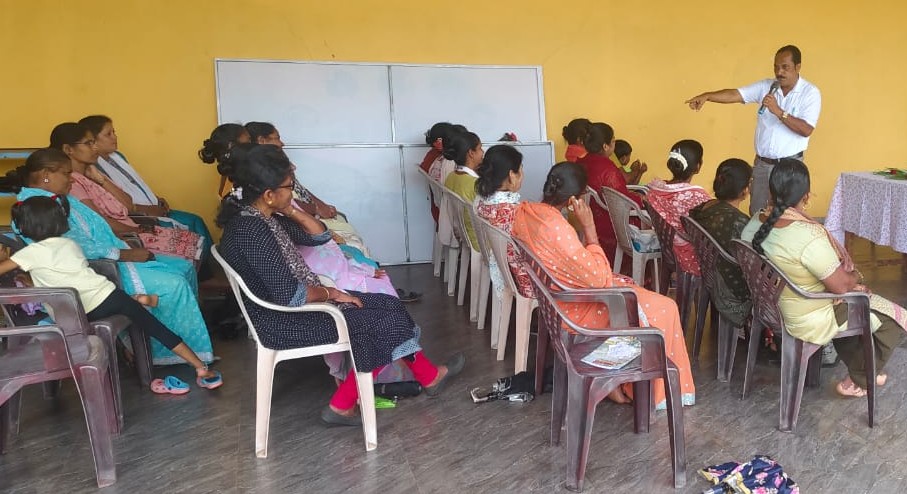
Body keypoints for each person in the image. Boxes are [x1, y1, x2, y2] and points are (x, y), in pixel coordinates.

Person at [216, 144, 465, 424]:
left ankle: (427, 377)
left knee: (388, 305)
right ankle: (342, 404)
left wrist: (291, 211)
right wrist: (331, 293)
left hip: (291, 309)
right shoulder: (252, 230)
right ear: (268, 194)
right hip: (283, 322)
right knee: (382, 321)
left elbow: (319, 236)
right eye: (289, 186)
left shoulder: (262, 217)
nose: (293, 191)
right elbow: (290, 294)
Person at [0, 148, 214, 366]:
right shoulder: (36, 207)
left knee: (182, 268)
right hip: (102, 271)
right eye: (66, 173)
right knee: (173, 284)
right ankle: (159, 355)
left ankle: (181, 350)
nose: (71, 179)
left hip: (104, 266)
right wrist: (124, 253)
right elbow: (78, 248)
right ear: (47, 174)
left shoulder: (53, 200)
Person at [511, 162, 695, 408]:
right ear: (575, 201)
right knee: (665, 307)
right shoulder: (557, 229)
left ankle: (620, 381)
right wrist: (589, 228)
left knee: (638, 292)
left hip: (559, 301)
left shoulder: (529, 212)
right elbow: (599, 279)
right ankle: (636, 387)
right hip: (578, 309)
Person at [1, 196, 222, 392]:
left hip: (81, 311)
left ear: (24, 227)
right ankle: (200, 367)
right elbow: (61, 273)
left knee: (53, 319)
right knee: (156, 327)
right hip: (110, 294)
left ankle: (141, 301)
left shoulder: (30, 253)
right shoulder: (69, 244)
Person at [741, 159, 906, 397]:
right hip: (807, 315)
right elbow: (841, 286)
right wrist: (855, 276)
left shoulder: (755, 222)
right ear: (806, 197)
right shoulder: (807, 234)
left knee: (856, 306)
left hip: (770, 308)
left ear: (770, 191)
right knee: (895, 320)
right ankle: (859, 378)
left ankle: (863, 367)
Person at [684, 45, 822, 216]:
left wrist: (779, 111)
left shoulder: (810, 93)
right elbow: (735, 94)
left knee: (787, 216)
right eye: (776, 67)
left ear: (798, 67)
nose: (779, 72)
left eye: (785, 67)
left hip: (789, 168)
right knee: (758, 214)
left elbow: (806, 129)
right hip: (762, 165)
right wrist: (707, 96)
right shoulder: (767, 86)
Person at [50, 122, 203, 264]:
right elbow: (99, 221)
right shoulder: (72, 183)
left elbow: (128, 204)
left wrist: (102, 180)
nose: (95, 148)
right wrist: (136, 230)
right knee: (187, 255)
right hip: (123, 237)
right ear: (68, 149)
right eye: (88, 143)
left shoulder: (91, 174)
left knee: (194, 243)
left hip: (132, 229)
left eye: (94, 142)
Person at [689, 158, 753, 327]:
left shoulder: (704, 208)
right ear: (745, 190)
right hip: (732, 293)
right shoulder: (740, 222)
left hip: (711, 277)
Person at [577, 122, 643, 264]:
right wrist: (641, 199)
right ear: (605, 146)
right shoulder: (607, 167)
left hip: (591, 216)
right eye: (613, 141)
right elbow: (622, 200)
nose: (614, 144)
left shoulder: (582, 162)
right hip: (609, 223)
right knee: (650, 221)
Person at [646, 139, 712, 276]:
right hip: (687, 256)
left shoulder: (656, 189)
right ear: (698, 166)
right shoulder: (698, 197)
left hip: (666, 248)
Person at [474, 144, 531, 299]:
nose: (523, 175)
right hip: (520, 278)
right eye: (521, 170)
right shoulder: (512, 211)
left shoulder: (482, 202)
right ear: (512, 175)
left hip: (500, 268)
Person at [442, 130, 484, 248]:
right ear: (471, 153)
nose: (483, 152)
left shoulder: (451, 176)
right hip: (478, 240)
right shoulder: (475, 183)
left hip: (463, 235)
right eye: (480, 148)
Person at [198, 123, 252, 196]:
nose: (252, 145)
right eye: (248, 141)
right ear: (231, 146)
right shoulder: (244, 175)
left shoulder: (227, 172)